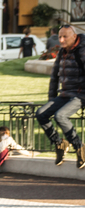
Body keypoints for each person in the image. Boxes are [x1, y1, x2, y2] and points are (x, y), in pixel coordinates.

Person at [35, 25, 85, 169]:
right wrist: (51, 99)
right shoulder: (62, 52)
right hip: (64, 94)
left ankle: (80, 147)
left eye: (65, 36)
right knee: (41, 114)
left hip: (80, 94)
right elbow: (54, 77)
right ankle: (60, 143)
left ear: (74, 36)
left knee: (60, 116)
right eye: (60, 36)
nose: (61, 40)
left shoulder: (82, 50)